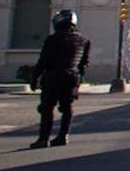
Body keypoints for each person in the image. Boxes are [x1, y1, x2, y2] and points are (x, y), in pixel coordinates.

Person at [29, 10, 90, 149]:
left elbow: (43, 61)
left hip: (54, 76)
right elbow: (83, 64)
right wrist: (79, 80)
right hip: (72, 76)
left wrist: (35, 77)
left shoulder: (53, 39)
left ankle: (43, 139)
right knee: (67, 107)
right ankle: (63, 136)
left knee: (47, 108)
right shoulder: (83, 41)